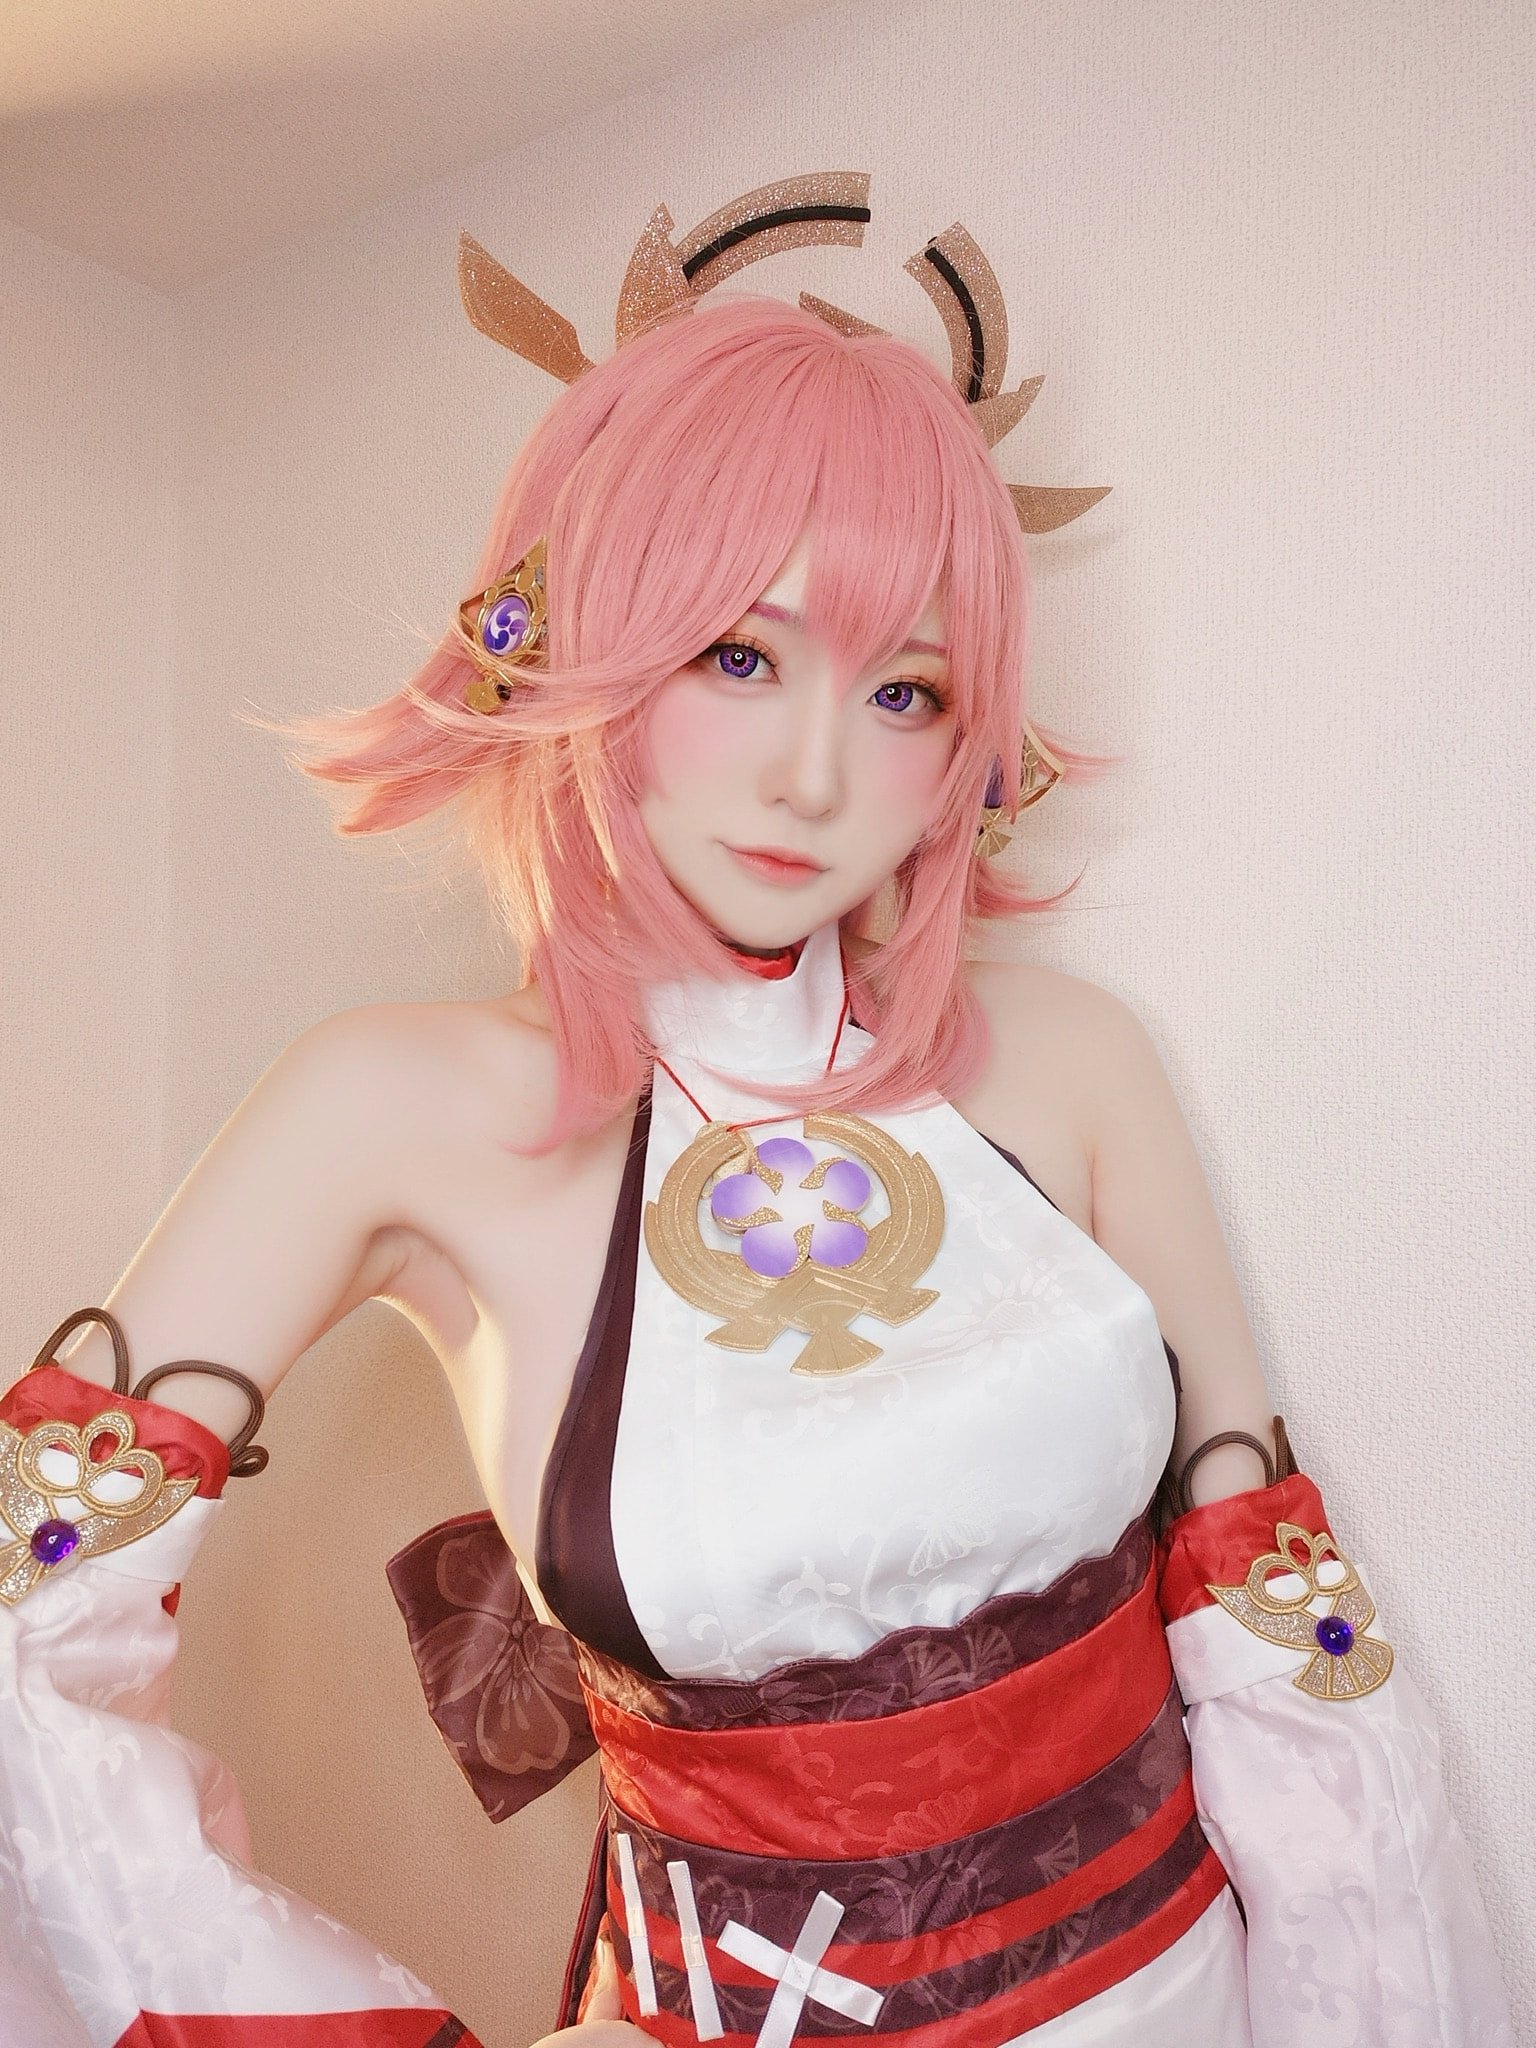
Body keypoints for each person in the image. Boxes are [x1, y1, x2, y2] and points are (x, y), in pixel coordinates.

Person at [1, 179, 1514, 2048]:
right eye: (740, 655)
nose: (816, 771)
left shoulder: (1068, 1063)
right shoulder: (395, 1111)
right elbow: (23, 1646)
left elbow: (1285, 1637)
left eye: (905, 691)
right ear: (568, 631)